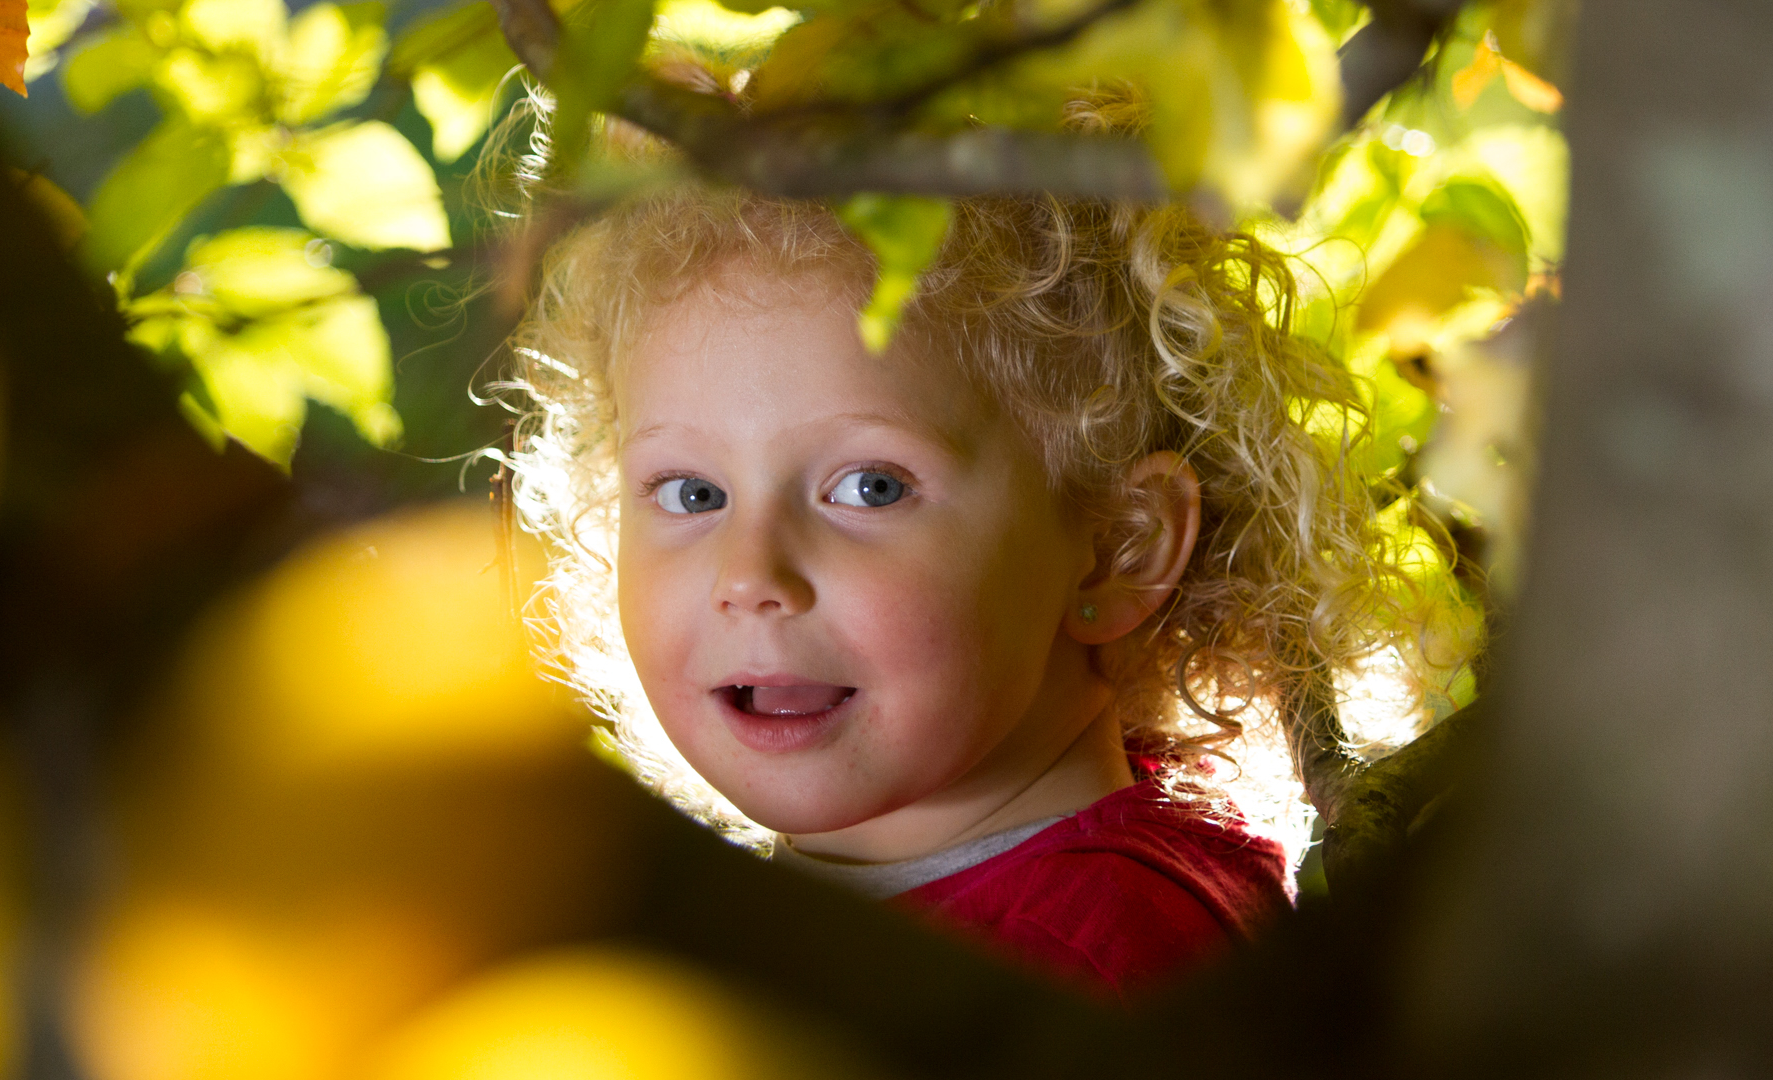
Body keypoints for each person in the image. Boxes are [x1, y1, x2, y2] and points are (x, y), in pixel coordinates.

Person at [494, 130, 1463, 1003]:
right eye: (691, 494)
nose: (749, 575)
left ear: (1119, 548)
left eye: (869, 487)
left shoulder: (1088, 968)